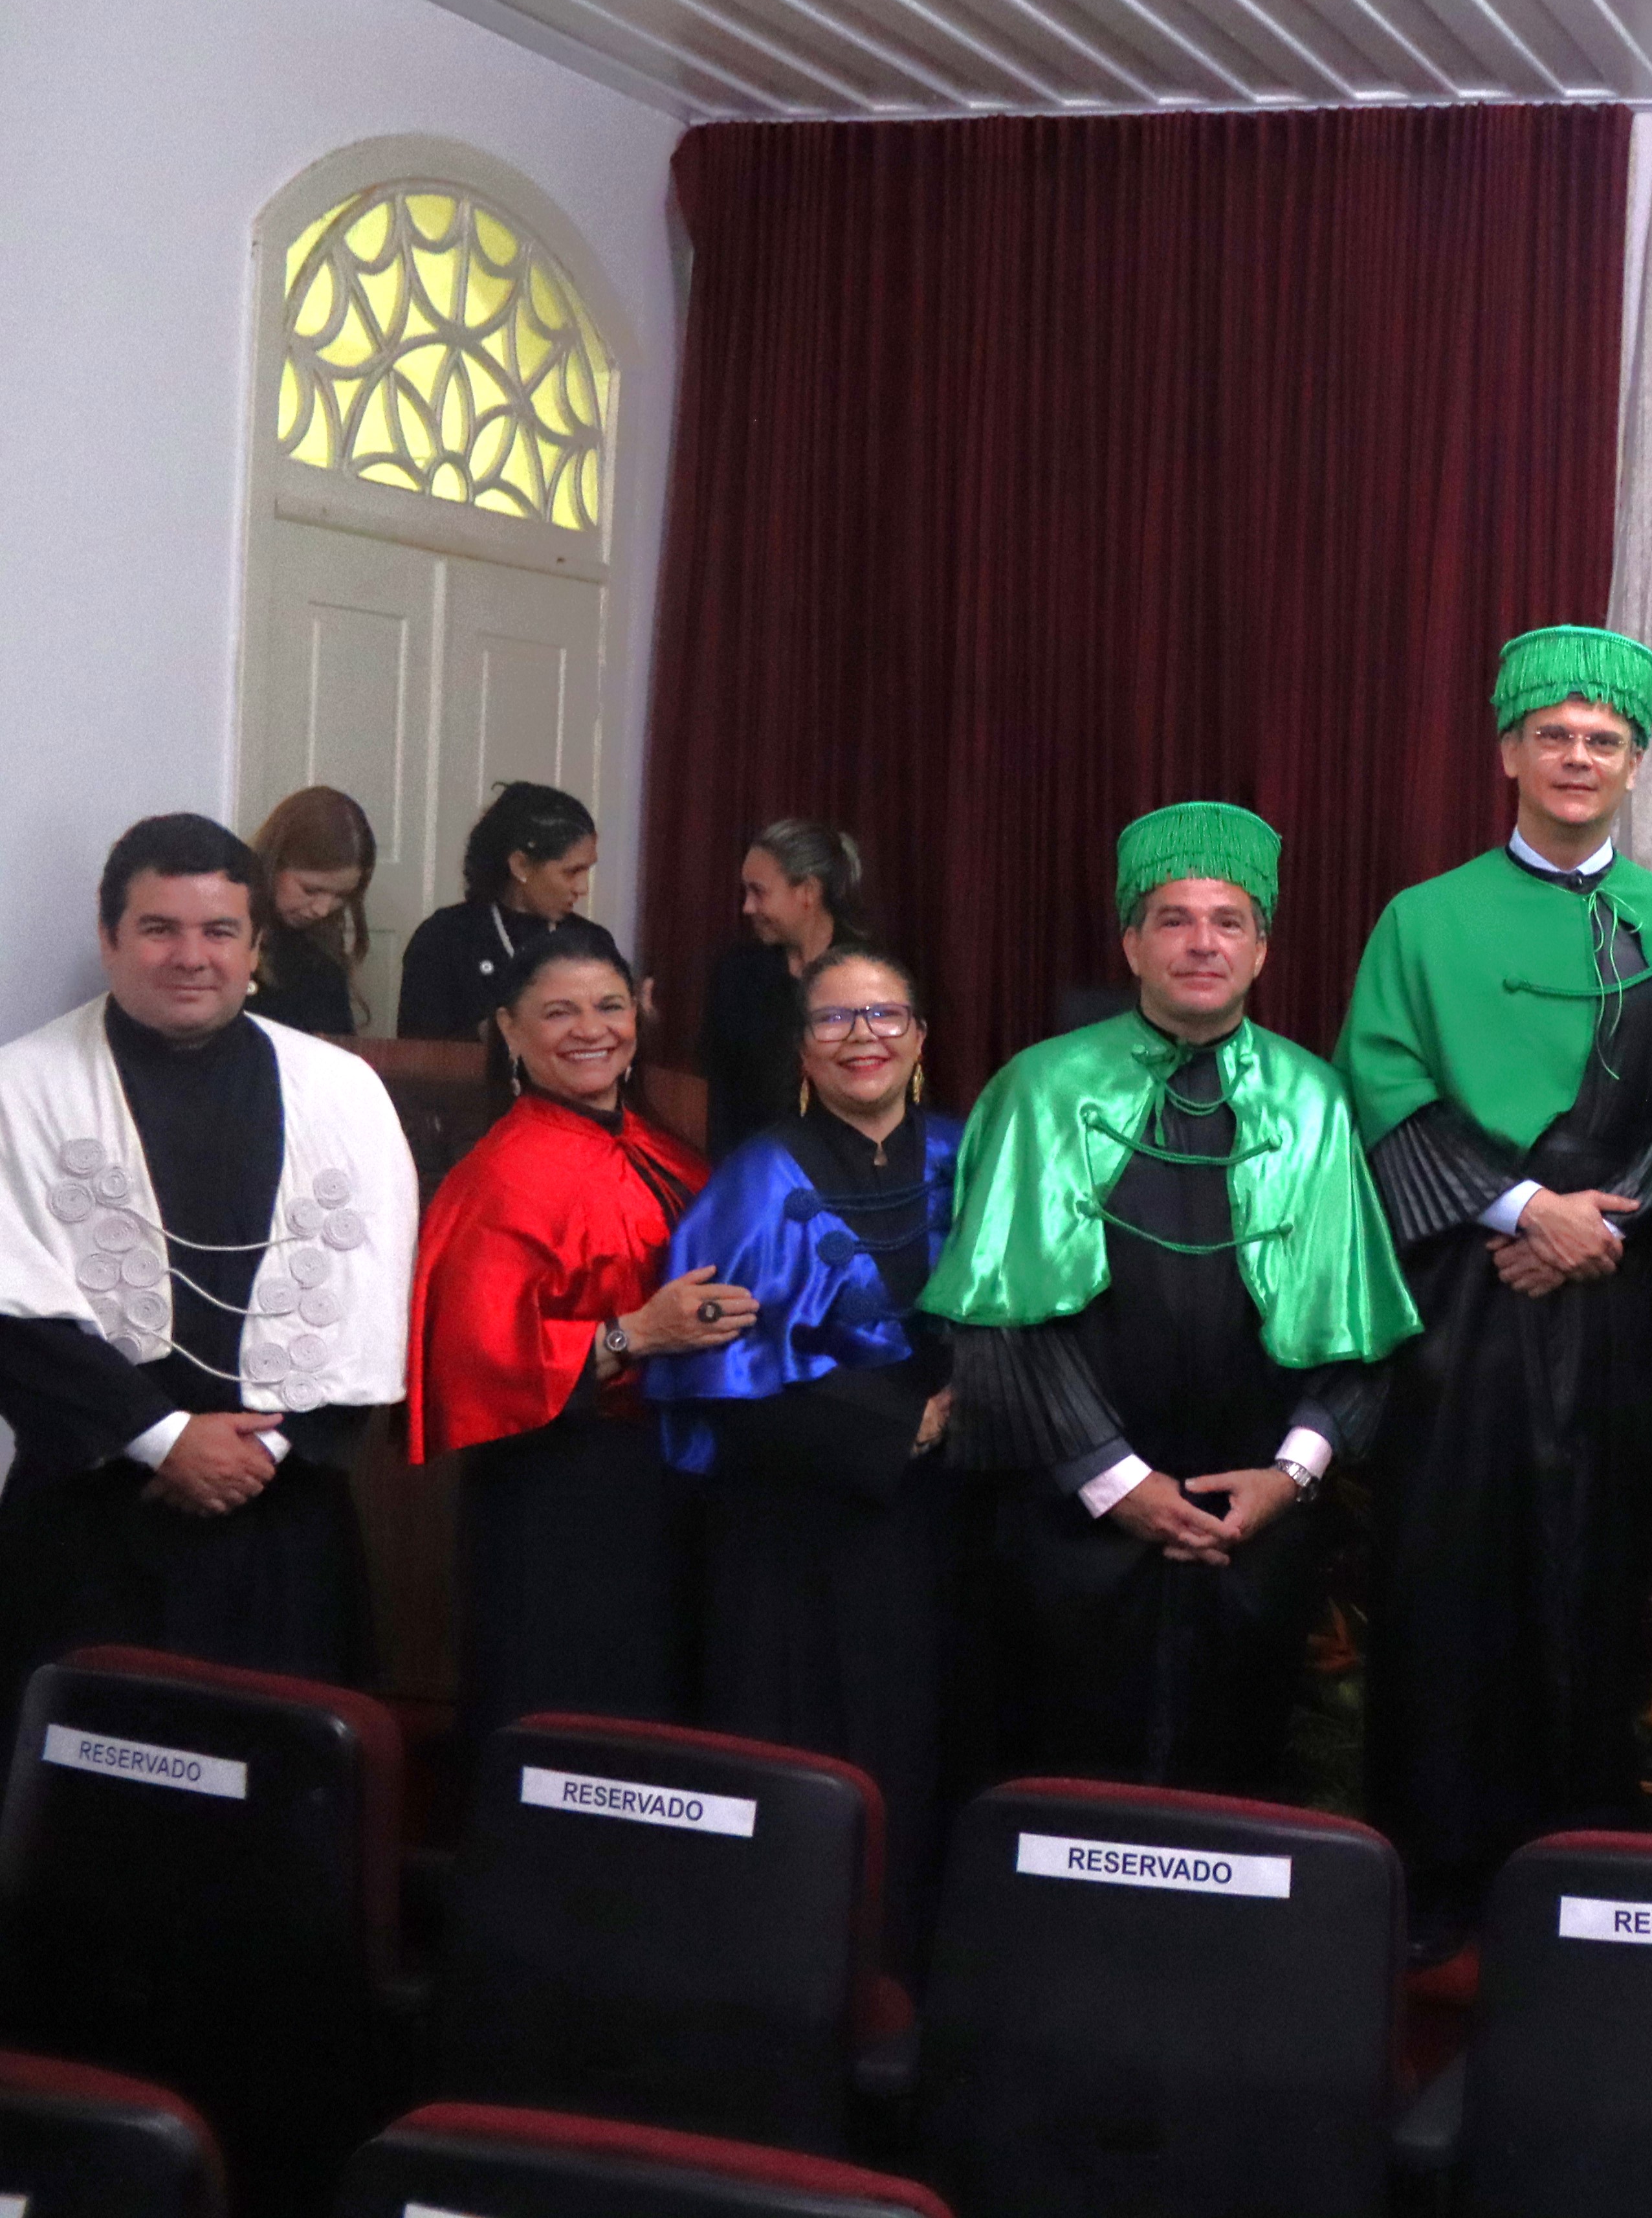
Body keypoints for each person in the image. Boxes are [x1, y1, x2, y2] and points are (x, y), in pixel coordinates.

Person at [1337, 627, 1652, 1957]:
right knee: (1448, 1573)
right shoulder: (1423, 919)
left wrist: (1597, 1227)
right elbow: (1382, 1091)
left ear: (1637, 763)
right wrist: (1522, 1210)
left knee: (1600, 1573)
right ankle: (1439, 1869)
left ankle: (1584, 1868)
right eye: (1553, 736)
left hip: (1616, 1293)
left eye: (1602, 740)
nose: (1578, 758)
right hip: (1466, 1293)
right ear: (1508, 752)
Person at [923, 803, 1414, 1794]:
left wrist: (1292, 1475)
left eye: (1229, 921)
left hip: (1252, 1534)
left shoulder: (1313, 1103)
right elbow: (1000, 1322)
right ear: (1132, 945)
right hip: (1071, 1532)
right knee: (1063, 1790)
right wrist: (1114, 1481)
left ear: (1261, 949)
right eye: (1175, 919)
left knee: (1233, 1791)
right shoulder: (1043, 1090)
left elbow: (1361, 1333)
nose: (1202, 943)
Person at [0, 816, 414, 1689]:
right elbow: (11, 1311)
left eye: (220, 931)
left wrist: (261, 1454)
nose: (192, 957)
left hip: (280, 1513)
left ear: (256, 946)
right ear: (109, 938)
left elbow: (371, 1297)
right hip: (91, 1514)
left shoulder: (342, 1092)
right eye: (160, 928)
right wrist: (162, 1440)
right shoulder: (21, 1088)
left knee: (281, 1759)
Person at [646, 942, 959, 1954]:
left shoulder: (974, 1159)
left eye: (885, 1015)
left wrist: (973, 1407)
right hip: (796, 1539)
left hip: (950, 1531)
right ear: (802, 1047)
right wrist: (907, 1424)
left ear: (920, 1038)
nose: (863, 1036)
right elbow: (719, 1379)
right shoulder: (751, 1181)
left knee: (935, 1761)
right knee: (804, 1783)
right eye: (834, 1018)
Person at [408, 926, 725, 1738]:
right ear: (510, 1030)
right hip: (565, 1501)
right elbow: (476, 1362)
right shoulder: (499, 1176)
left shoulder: (658, 1142)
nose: (592, 1030)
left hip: (679, 1486)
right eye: (559, 1012)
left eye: (610, 1006)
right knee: (578, 1728)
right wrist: (634, 1334)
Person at [397, 781, 628, 1045]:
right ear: (521, 866)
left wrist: (642, 1021)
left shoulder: (592, 942)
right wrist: (495, 1031)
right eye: (572, 872)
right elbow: (417, 1050)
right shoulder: (444, 938)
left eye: (587, 870)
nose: (583, 888)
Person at [703, 817, 866, 1155]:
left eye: (759, 892)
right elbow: (722, 1098)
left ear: (807, 892)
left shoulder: (868, 975)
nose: (747, 907)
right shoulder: (738, 973)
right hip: (753, 1166)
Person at [247, 785, 377, 1039]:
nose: (322, 910)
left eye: (342, 896)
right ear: (273, 863)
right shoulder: (224, 932)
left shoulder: (322, 950)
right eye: (311, 890)